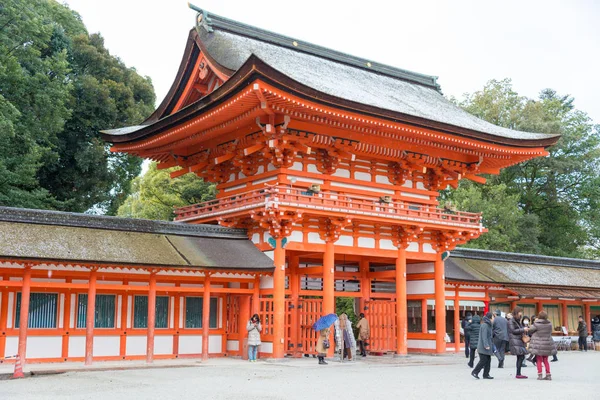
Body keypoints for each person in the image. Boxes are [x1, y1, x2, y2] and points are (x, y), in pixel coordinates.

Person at [527, 311, 555, 380]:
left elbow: (530, 330)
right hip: (547, 344)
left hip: (538, 344)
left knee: (539, 360)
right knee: (546, 360)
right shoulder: (549, 324)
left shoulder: (536, 324)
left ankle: (540, 375)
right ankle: (548, 375)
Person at [471, 312, 495, 379]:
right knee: (483, 360)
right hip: (483, 346)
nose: (494, 319)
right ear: (490, 318)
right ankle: (475, 372)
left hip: (487, 346)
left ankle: (486, 374)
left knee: (488, 360)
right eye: (493, 317)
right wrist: (486, 345)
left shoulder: (489, 325)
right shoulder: (485, 325)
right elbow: (484, 336)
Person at [508, 306, 530, 379]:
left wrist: (523, 329)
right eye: (520, 312)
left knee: (521, 356)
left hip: (518, 340)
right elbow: (513, 331)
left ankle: (518, 373)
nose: (521, 313)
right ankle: (518, 373)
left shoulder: (517, 320)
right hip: (515, 340)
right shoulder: (511, 321)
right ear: (517, 312)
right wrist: (523, 329)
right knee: (520, 356)